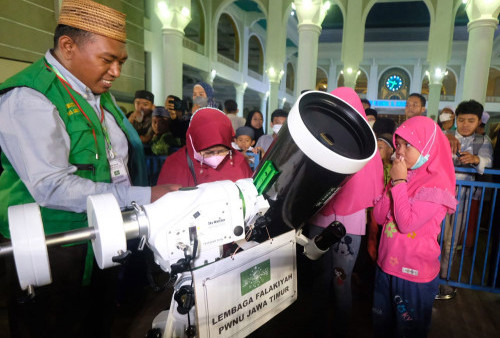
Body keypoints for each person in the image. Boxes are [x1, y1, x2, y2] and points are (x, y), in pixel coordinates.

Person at [0, 1, 179, 336]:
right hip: (53, 249)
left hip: (102, 236)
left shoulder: (96, 93)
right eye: (107, 60)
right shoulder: (30, 98)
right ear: (68, 47)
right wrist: (147, 194)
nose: (116, 72)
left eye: (120, 62)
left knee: (97, 323)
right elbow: (52, 186)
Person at [306, 87, 385, 338]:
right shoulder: (324, 138)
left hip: (343, 222)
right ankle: (324, 327)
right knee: (326, 278)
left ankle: (336, 328)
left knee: (338, 279)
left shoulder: (368, 147)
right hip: (326, 219)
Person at [372, 116, 457, 337]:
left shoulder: (436, 187)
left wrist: (399, 183)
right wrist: (394, 182)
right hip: (387, 266)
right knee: (383, 324)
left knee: (408, 330)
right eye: (398, 144)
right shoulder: (402, 175)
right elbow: (380, 217)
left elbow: (406, 223)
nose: (399, 151)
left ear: (427, 147)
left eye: (408, 145)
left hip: (413, 275)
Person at [438, 100, 493, 299]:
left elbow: (488, 160)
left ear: (479, 122)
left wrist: (477, 159)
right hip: (440, 197)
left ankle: (443, 278)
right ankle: (429, 276)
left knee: (452, 241)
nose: (465, 124)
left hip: (463, 199)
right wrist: (447, 137)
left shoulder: (483, 141)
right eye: (461, 120)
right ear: (455, 120)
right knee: (436, 237)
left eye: (471, 120)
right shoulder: (446, 136)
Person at [157, 107, 253, 186]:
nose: (216, 157)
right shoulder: (174, 165)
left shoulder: (239, 161)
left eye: (221, 151)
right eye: (208, 152)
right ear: (193, 143)